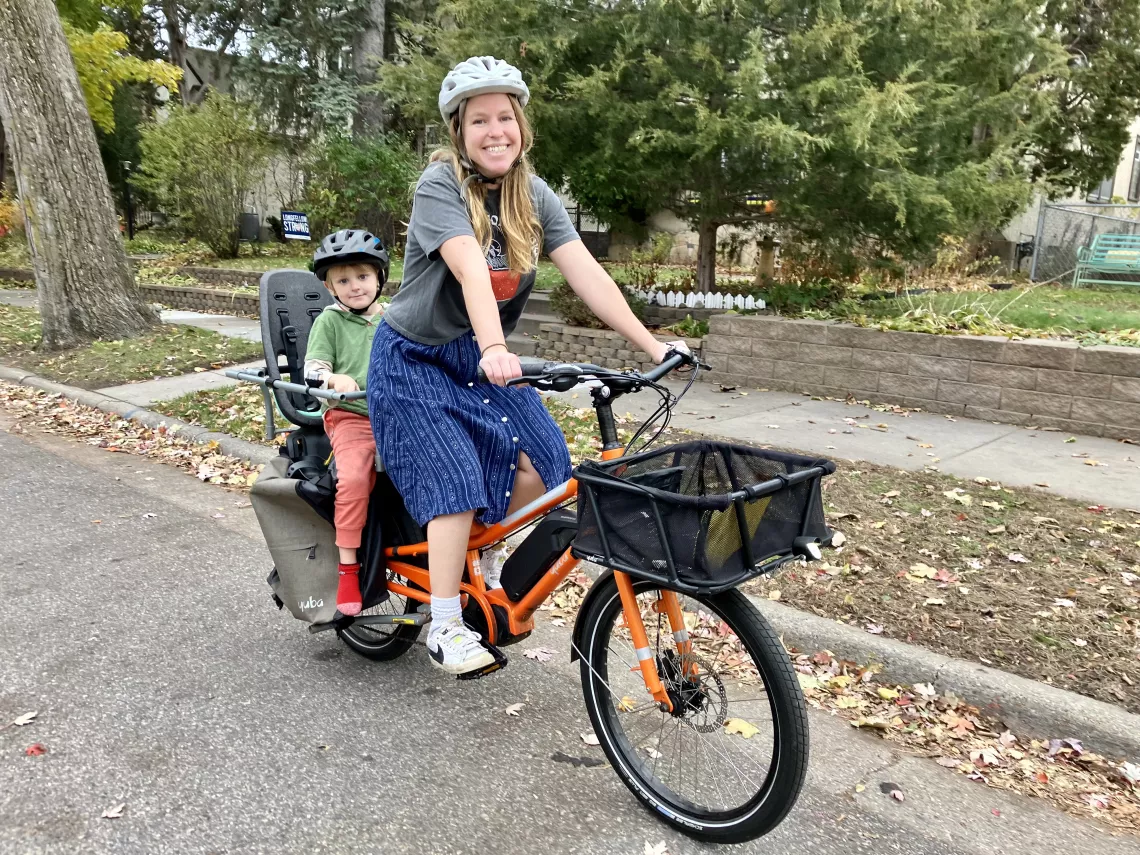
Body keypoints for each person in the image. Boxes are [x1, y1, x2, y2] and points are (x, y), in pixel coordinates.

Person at [367, 56, 688, 675]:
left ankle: (480, 564)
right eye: (479, 119)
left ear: (522, 126)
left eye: (505, 117)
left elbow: (586, 272)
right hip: (415, 358)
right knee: (454, 478)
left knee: (547, 463)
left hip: (484, 360)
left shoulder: (535, 196)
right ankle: (444, 623)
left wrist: (654, 348)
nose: (495, 131)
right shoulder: (440, 185)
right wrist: (493, 346)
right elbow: (467, 266)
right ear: (459, 131)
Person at [303, 229, 390, 617]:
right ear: (330, 286)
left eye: (363, 276)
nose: (354, 286)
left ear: (379, 278)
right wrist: (334, 379)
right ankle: (348, 567)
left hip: (394, 415)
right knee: (353, 477)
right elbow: (314, 369)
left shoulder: (392, 319)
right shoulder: (330, 321)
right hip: (351, 415)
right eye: (343, 280)